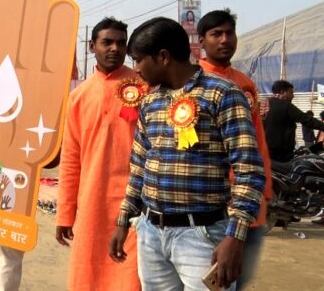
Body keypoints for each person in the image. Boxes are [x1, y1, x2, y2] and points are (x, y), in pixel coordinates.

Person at [109, 17, 266, 290]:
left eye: (138, 60)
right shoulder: (150, 102)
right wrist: (124, 220)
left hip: (203, 235)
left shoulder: (224, 95)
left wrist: (235, 237)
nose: (135, 69)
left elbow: (249, 171)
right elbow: (138, 167)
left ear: (163, 57)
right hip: (150, 231)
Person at [55, 17, 142, 290]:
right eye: (107, 42)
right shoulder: (79, 96)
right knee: (89, 277)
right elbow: (70, 158)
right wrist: (65, 213)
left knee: (132, 278)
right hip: (93, 203)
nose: (114, 48)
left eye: (120, 43)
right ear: (93, 46)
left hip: (137, 204)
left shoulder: (144, 87)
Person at [197, 9, 274, 289]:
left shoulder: (245, 83)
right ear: (202, 41)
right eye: (216, 34)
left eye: (229, 33)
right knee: (212, 280)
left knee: (240, 279)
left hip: (249, 198)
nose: (225, 39)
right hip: (213, 202)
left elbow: (257, 140)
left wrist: (263, 190)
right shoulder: (192, 83)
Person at [263, 80, 324, 164]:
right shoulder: (286, 106)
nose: (293, 96)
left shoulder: (263, 105)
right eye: (291, 92)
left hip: (264, 153)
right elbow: (307, 120)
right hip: (282, 156)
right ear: (283, 92)